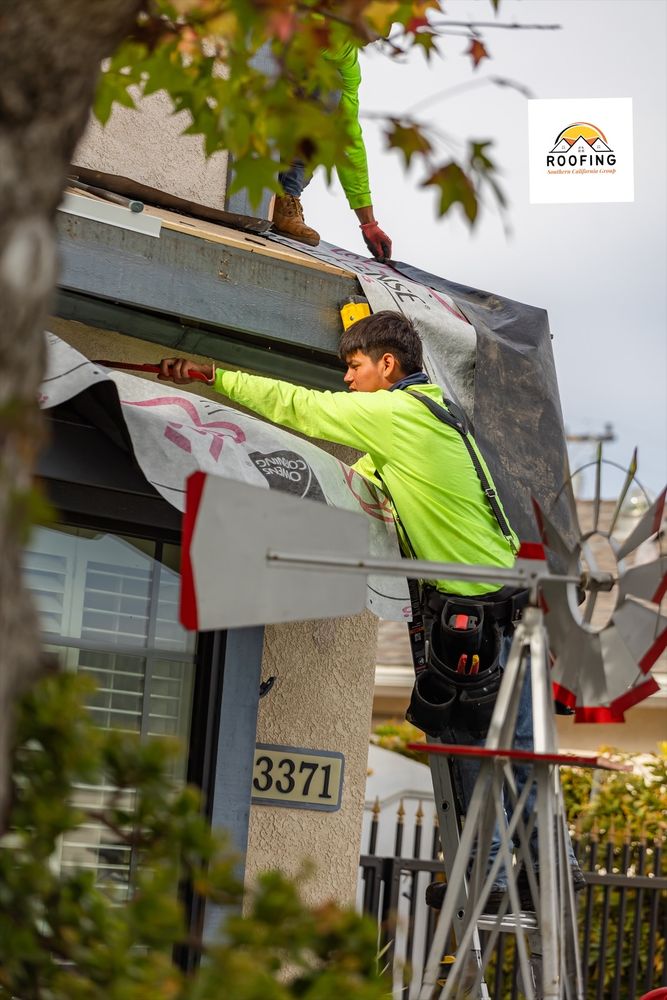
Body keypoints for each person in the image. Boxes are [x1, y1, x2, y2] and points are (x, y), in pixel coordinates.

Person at [157, 309, 583, 909]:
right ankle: (485, 873)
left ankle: (552, 872)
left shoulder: (400, 414)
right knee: (468, 747)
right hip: (487, 613)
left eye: (354, 367)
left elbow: (301, 408)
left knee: (513, 754)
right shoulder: (422, 423)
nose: (347, 381)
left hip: (497, 613)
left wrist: (214, 376)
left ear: (388, 365)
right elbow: (362, 481)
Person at [272, 40, 392, 263]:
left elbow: (348, 138)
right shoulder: (313, 14)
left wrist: (369, 223)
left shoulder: (346, 60)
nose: (384, 33)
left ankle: (286, 198)